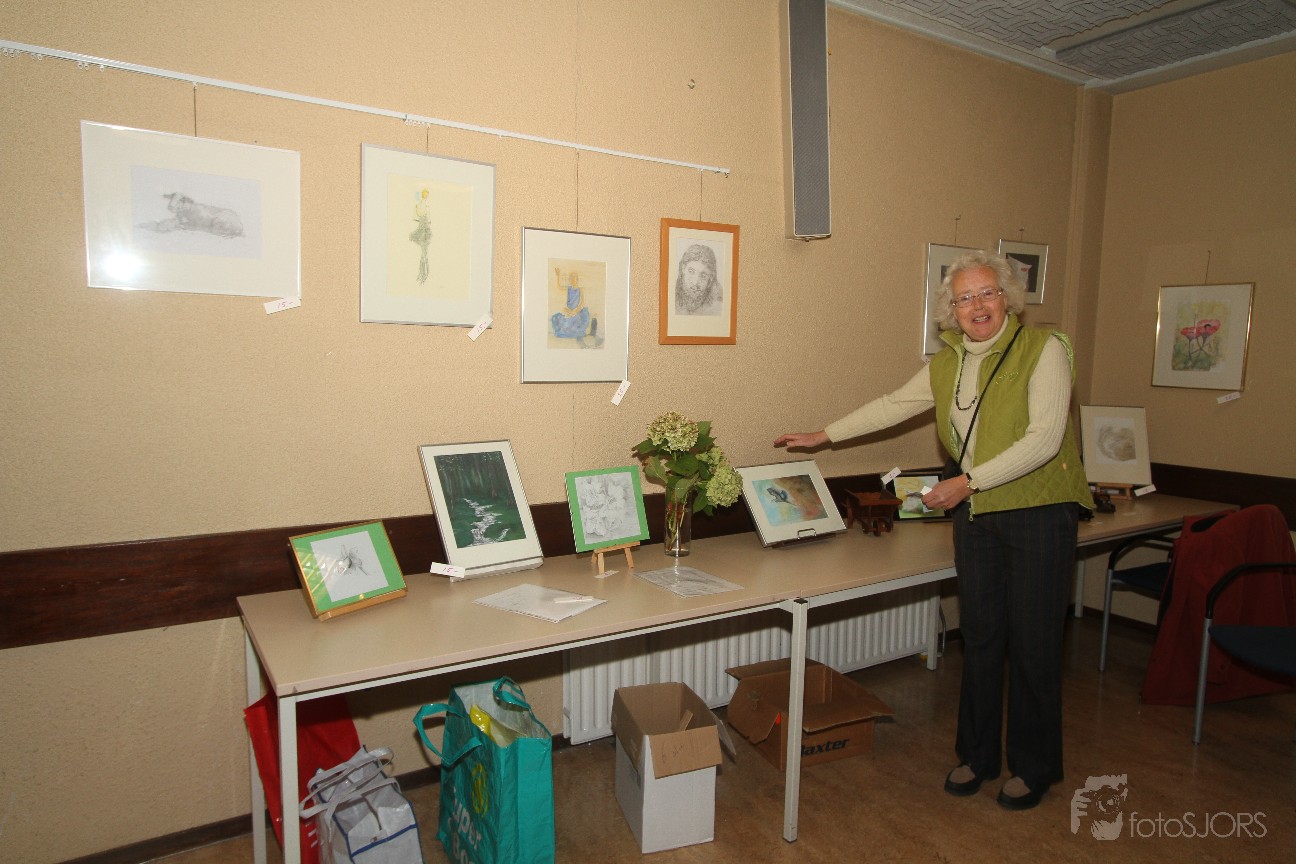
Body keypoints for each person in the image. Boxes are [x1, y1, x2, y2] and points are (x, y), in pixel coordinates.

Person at [775, 249, 1092, 811]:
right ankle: (977, 755)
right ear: (951, 309)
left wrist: (967, 482)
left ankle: (1034, 765)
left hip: (1039, 512)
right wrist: (824, 435)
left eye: (987, 293)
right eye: (964, 298)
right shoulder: (948, 363)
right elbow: (893, 405)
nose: (977, 306)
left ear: (1008, 298)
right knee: (982, 637)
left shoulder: (1045, 349)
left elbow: (1044, 440)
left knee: (1035, 644)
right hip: (977, 514)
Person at [674, 243, 723, 315]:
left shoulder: (718, 306)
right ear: (683, 268)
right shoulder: (671, 297)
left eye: (703, 276)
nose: (695, 283)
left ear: (711, 277)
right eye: (691, 272)